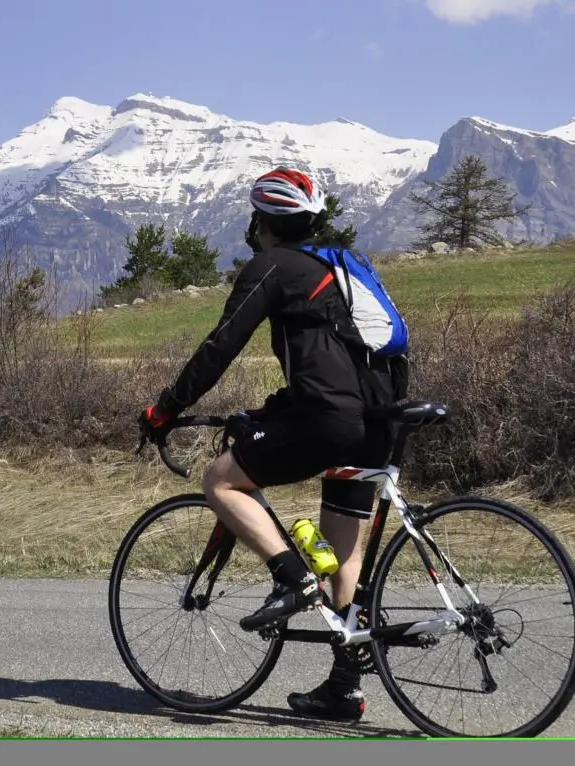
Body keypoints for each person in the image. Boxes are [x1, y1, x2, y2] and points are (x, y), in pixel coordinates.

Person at [138, 167, 403, 722]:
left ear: (261, 223)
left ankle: (291, 576)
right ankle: (344, 686)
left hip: (332, 423)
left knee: (221, 480)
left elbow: (220, 347)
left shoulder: (272, 267)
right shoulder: (332, 269)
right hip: (380, 421)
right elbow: (333, 368)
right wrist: (271, 410)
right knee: (344, 552)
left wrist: (165, 408)